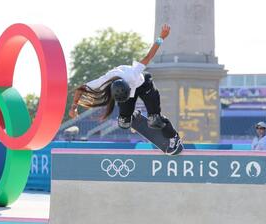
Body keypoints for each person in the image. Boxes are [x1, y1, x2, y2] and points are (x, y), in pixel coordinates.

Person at [68, 24, 182, 155]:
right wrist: (74, 106)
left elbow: (149, 56)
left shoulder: (133, 73)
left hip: (144, 85)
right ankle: (132, 115)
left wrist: (161, 37)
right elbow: (80, 89)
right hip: (126, 90)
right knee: (123, 123)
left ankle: (174, 137)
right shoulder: (103, 82)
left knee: (154, 120)